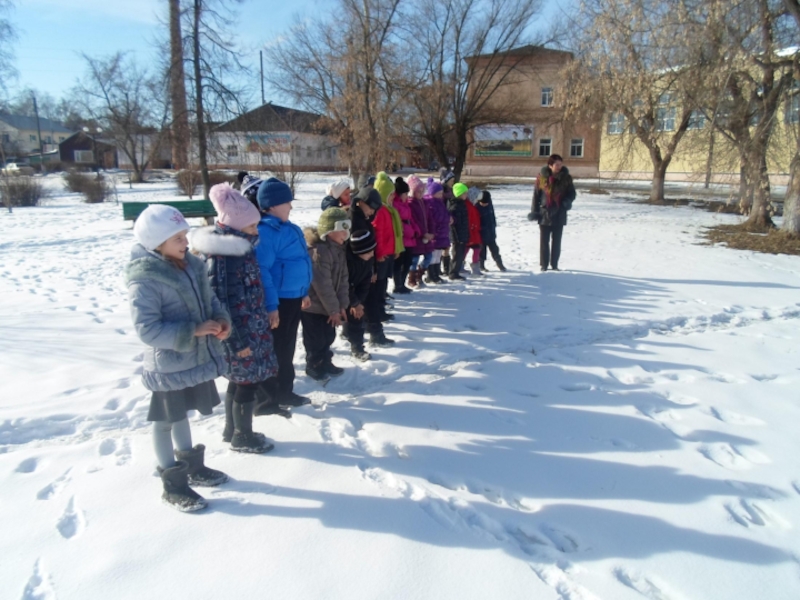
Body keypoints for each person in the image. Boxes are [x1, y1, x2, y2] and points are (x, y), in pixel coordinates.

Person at [126, 205, 231, 512]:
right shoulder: (145, 279)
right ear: (157, 243)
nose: (186, 242)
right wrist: (193, 331)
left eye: (185, 235)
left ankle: (193, 468)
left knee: (182, 415)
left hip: (193, 359)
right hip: (168, 366)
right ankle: (173, 484)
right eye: (178, 238)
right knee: (165, 422)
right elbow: (147, 330)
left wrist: (221, 321)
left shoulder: (192, 265)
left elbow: (211, 300)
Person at [191, 184, 282, 456]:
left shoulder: (240, 249)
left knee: (239, 379)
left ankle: (232, 429)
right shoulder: (224, 257)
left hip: (250, 328)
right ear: (235, 226)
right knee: (246, 383)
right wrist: (237, 341)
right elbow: (225, 303)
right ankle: (243, 436)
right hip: (238, 333)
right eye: (252, 226)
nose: (257, 231)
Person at [255, 177, 313, 411]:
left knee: (287, 347)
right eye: (286, 202)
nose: (290, 206)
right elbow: (262, 271)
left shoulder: (290, 228)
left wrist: (304, 292)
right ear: (271, 205)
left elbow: (301, 261)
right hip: (278, 301)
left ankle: (285, 391)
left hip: (293, 298)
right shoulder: (266, 232)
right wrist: (271, 306)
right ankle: (269, 397)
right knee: (276, 349)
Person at [302, 208, 352, 381]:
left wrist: (342, 306)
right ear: (329, 231)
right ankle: (314, 364)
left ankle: (325, 361)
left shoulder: (339, 249)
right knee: (315, 339)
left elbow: (344, 279)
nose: (346, 233)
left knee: (328, 336)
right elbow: (323, 284)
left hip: (330, 307)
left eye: (347, 228)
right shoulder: (319, 252)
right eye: (342, 229)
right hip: (314, 307)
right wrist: (334, 309)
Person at [528, 154, 576, 271]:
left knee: (557, 241)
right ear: (550, 165)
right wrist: (534, 211)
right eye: (556, 164)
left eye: (560, 164)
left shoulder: (566, 178)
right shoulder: (542, 178)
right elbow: (536, 196)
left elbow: (572, 193)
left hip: (560, 213)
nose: (559, 167)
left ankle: (554, 265)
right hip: (545, 213)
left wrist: (567, 202)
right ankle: (544, 265)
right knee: (544, 242)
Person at [345, 229, 377, 361]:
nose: (372, 254)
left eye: (372, 251)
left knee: (357, 317)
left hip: (355, 292)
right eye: (368, 252)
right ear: (358, 252)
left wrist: (359, 302)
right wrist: (354, 302)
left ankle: (357, 347)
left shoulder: (367, 259)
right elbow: (344, 284)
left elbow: (365, 282)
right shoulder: (347, 262)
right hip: (341, 293)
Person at [407, 174, 435, 287]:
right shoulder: (410, 203)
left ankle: (420, 274)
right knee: (414, 259)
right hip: (417, 237)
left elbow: (430, 218)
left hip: (427, 236)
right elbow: (415, 221)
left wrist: (432, 232)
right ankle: (412, 278)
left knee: (429, 257)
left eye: (423, 191)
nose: (421, 193)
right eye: (419, 191)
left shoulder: (424, 203)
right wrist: (423, 233)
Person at [391, 178, 418, 294]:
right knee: (399, 262)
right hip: (401, 238)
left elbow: (411, 219)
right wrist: (409, 231)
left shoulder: (406, 204)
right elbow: (399, 222)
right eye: (405, 194)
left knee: (407, 262)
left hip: (410, 238)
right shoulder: (395, 205)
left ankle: (402, 282)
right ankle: (398, 285)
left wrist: (416, 230)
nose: (407, 196)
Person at [423, 178, 450, 284]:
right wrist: (446, 218)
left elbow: (445, 213)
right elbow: (435, 217)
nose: (441, 195)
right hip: (436, 232)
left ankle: (436, 274)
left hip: (442, 232)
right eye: (438, 193)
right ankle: (431, 275)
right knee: (433, 255)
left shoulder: (440, 202)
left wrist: (450, 217)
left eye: (441, 193)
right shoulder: (430, 203)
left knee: (438, 255)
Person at [475, 189, 506, 271]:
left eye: (486, 203)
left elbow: (492, 218)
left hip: (491, 233)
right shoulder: (476, 208)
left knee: (495, 250)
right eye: (482, 203)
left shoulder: (490, 205)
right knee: (482, 251)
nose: (484, 204)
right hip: (481, 234)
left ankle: (500, 264)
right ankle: (481, 266)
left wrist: (493, 226)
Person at [448, 182, 470, 280]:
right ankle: (453, 272)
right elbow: (454, 224)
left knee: (460, 254)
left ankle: (456, 271)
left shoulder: (461, 204)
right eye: (464, 193)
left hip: (462, 233)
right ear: (459, 194)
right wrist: (457, 237)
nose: (466, 195)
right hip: (457, 236)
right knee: (457, 254)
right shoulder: (455, 206)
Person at [466, 187, 484, 276]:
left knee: (476, 249)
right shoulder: (468, 206)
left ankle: (475, 268)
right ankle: (460, 266)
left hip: (475, 232)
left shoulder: (472, 206)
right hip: (470, 233)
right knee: (467, 249)